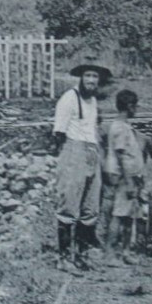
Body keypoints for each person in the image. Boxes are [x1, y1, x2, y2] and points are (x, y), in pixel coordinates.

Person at [52, 58, 109, 273]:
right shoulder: (69, 99)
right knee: (69, 203)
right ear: (81, 78)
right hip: (73, 150)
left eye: (95, 77)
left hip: (91, 151)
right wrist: (66, 162)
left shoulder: (93, 101)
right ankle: (64, 257)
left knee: (90, 206)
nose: (92, 80)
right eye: (88, 76)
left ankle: (83, 254)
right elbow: (59, 132)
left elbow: (92, 129)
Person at [101, 89, 145, 265]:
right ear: (129, 106)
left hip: (131, 176)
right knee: (119, 214)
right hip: (123, 177)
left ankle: (126, 251)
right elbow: (120, 155)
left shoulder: (125, 126)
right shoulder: (119, 127)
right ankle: (110, 254)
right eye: (135, 106)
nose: (136, 110)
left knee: (129, 215)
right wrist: (128, 181)